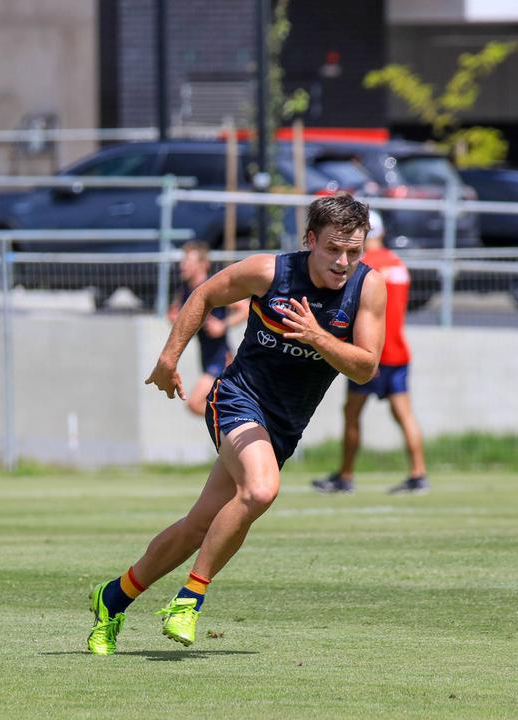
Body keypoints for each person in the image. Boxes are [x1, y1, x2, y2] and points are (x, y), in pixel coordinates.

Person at [85, 193, 386, 654]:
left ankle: (114, 597)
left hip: (284, 425)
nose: (343, 261)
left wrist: (317, 336)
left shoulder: (368, 288)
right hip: (237, 398)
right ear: (310, 240)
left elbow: (365, 367)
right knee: (262, 490)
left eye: (353, 251)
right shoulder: (270, 272)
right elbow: (205, 294)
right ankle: (189, 600)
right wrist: (169, 357)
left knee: (198, 526)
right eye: (332, 249)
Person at [313, 211, 429, 495]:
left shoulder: (365, 267)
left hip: (371, 351)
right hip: (399, 351)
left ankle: (346, 475)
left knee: (351, 413)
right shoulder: (398, 263)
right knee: (404, 415)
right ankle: (418, 473)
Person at [168, 241, 248, 416]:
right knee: (212, 403)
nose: (183, 266)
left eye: (188, 261)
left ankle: (238, 419)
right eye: (182, 261)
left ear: (203, 264)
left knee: (195, 403)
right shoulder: (185, 290)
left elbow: (245, 309)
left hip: (221, 359)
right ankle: (234, 425)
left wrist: (223, 325)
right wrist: (175, 318)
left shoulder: (213, 288)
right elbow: (176, 314)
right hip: (207, 359)